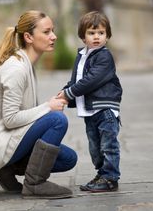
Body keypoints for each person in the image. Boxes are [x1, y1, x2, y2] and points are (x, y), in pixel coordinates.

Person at [0, 10, 77, 199]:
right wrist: (48, 106)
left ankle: (6, 169)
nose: (53, 36)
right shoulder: (16, 69)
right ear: (28, 37)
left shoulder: (25, 64)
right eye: (47, 32)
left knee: (68, 159)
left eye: (52, 31)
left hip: (7, 138)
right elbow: (10, 119)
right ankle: (34, 183)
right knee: (57, 120)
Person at [57, 11, 122, 193]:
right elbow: (76, 81)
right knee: (95, 148)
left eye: (101, 33)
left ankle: (110, 178)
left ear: (107, 36)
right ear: (83, 37)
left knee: (108, 146)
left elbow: (91, 81)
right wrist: (63, 93)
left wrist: (69, 93)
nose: (96, 37)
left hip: (105, 109)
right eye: (92, 33)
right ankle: (102, 173)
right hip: (90, 111)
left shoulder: (104, 57)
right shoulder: (82, 56)